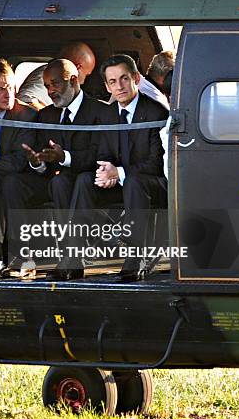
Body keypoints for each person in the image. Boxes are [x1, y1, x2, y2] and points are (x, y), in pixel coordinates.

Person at [3, 58, 108, 279]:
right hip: (52, 179)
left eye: (55, 84)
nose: (50, 91)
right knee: (13, 182)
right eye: (47, 86)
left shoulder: (100, 111)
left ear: (73, 80)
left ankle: (70, 255)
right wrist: (37, 162)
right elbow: (43, 163)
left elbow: (101, 155)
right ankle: (23, 255)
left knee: (63, 182)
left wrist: (66, 157)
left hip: (87, 181)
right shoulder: (47, 115)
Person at [68, 54, 168, 282]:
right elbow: (103, 152)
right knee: (85, 180)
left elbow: (156, 163)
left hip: (153, 185)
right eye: (112, 82)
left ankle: (137, 260)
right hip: (122, 182)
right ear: (106, 85)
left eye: (124, 79)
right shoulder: (108, 114)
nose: (119, 86)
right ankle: (73, 257)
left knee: (134, 182)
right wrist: (105, 171)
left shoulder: (155, 112)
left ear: (135, 78)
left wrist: (119, 173)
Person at [0, 59, 37, 272]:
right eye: (0, 89)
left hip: (17, 177)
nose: (8, 94)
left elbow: (19, 159)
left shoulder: (25, 115)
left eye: (11, 87)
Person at [17, 41, 96, 108]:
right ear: (77, 67)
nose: (83, 82)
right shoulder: (47, 74)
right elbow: (24, 99)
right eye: (86, 74)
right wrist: (53, 119)